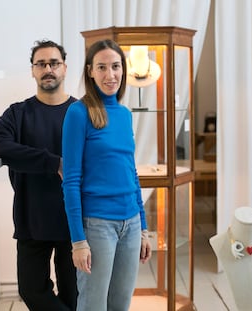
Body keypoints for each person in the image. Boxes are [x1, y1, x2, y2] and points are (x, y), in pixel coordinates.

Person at [0, 39, 77, 311]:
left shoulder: (81, 112)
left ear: (65, 68)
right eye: (41, 64)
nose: (48, 69)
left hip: (74, 221)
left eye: (54, 63)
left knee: (74, 295)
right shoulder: (17, 113)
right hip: (31, 218)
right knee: (31, 290)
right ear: (32, 70)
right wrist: (54, 163)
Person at [61, 39, 152, 311]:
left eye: (115, 66)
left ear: (123, 70)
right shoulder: (78, 113)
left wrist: (144, 228)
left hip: (131, 224)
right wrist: (78, 241)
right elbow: (71, 180)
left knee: (120, 305)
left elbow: (130, 173)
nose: (109, 75)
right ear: (90, 71)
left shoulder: (124, 114)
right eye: (101, 67)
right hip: (97, 225)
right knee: (93, 305)